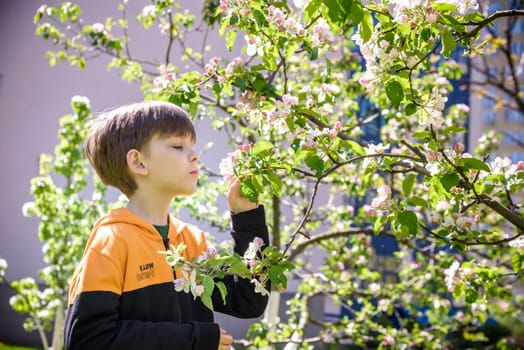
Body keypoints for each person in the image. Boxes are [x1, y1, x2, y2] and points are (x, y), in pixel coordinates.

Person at [64, 100, 269, 350]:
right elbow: (87, 340)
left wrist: (246, 217)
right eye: (177, 146)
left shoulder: (192, 241)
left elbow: (248, 301)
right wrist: (196, 340)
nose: (194, 155)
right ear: (138, 162)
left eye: (192, 146)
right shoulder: (111, 242)